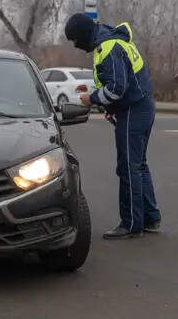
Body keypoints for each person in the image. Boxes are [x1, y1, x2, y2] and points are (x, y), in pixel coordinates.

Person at [64, 13, 161, 239]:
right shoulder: (112, 41)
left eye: (75, 40)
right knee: (138, 165)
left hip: (134, 110)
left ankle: (131, 224)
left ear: (84, 35)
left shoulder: (108, 47)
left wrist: (92, 99)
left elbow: (117, 88)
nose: (76, 46)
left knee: (128, 167)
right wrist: (110, 108)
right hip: (140, 106)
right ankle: (151, 217)